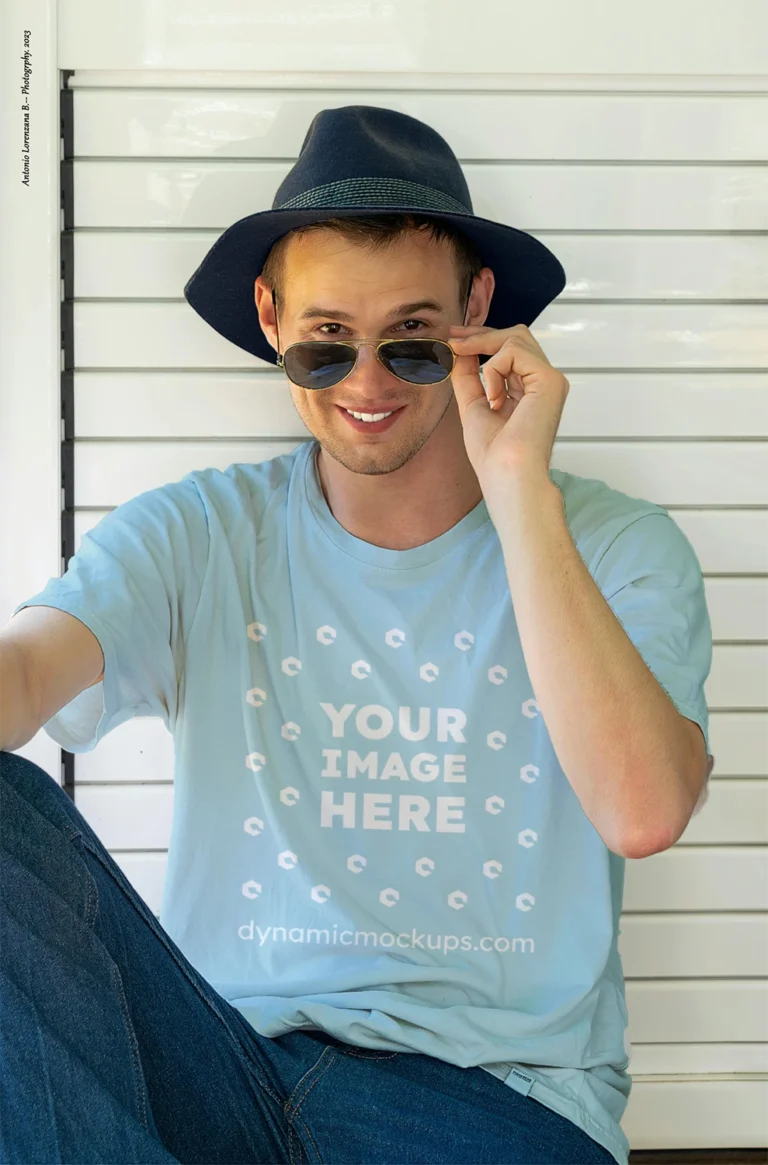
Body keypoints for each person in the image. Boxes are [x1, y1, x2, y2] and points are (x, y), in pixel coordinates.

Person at [0, 106, 714, 1165]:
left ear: (478, 312)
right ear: (271, 317)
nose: (370, 384)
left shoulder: (615, 545)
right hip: (226, 1068)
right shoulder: (203, 530)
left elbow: (644, 810)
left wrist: (516, 487)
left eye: (413, 343)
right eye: (327, 345)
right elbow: (27, 670)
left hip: (490, 1099)